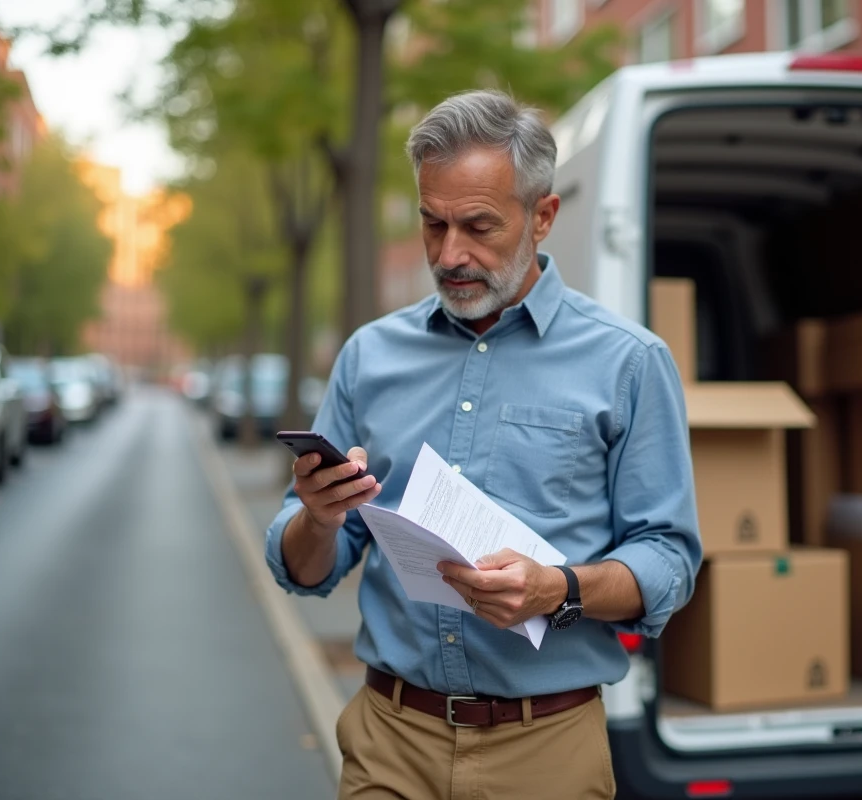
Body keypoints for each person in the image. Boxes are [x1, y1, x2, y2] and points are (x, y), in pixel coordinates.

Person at [265, 89, 702, 799]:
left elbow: (669, 561)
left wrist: (557, 590)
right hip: (389, 742)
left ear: (543, 216)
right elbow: (306, 572)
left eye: (477, 226)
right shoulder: (369, 356)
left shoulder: (629, 362)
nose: (450, 254)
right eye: (432, 223)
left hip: (547, 750)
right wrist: (317, 518)